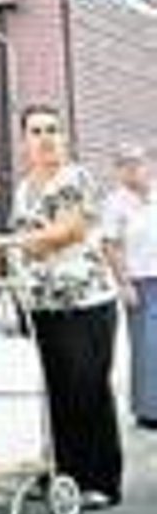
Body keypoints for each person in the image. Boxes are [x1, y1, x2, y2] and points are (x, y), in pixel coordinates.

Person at [0, 105, 122, 509]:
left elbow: (67, 232)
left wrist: (7, 243)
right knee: (55, 392)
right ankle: (66, 475)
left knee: (87, 390)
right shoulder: (25, 187)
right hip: (40, 306)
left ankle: (100, 482)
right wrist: (5, 281)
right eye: (36, 131)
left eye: (53, 130)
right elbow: (22, 241)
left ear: (64, 137)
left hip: (85, 302)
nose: (45, 137)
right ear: (24, 141)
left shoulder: (74, 177)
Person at [102, 143, 157, 429]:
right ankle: (148, 411)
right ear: (119, 171)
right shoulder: (115, 202)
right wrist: (124, 283)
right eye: (125, 164)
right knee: (147, 347)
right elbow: (110, 245)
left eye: (138, 162)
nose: (133, 169)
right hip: (139, 281)